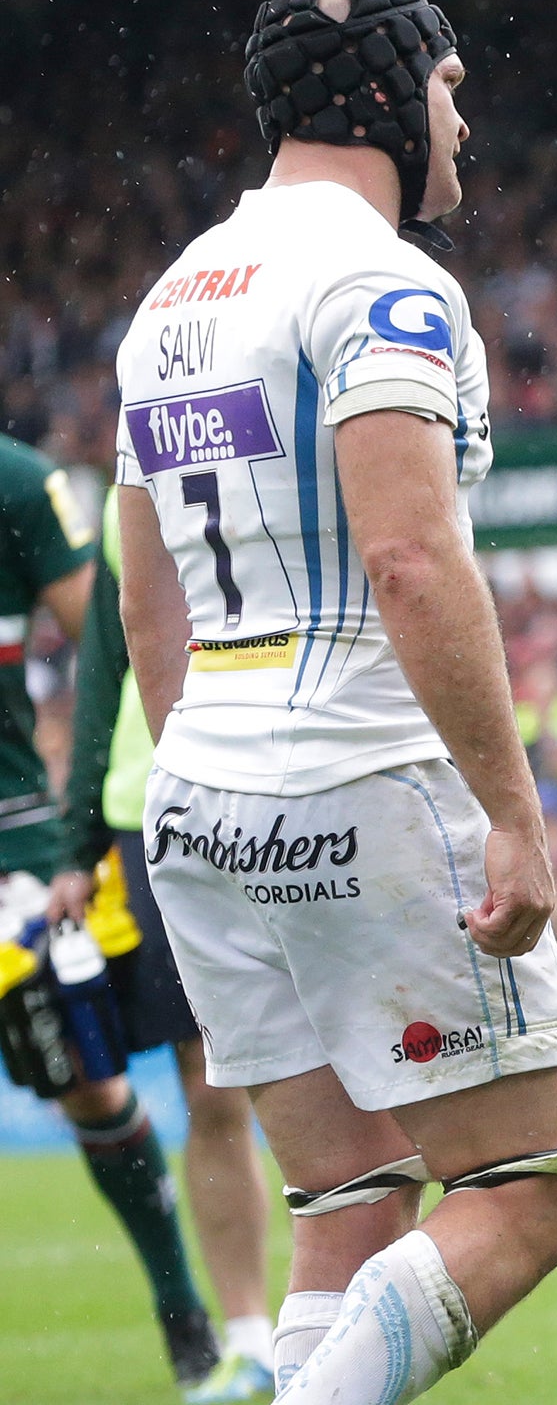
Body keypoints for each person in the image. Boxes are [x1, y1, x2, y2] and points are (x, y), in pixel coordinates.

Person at [114, 0, 557, 1404]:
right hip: (358, 770)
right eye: (452, 91)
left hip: (201, 792)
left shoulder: (168, 302)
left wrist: (209, 788)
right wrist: (511, 813)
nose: (466, 127)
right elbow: (407, 552)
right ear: (390, 91)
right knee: (526, 1191)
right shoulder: (386, 282)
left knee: (349, 1197)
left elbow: (153, 607)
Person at [0, 435, 234, 1397]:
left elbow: (113, 638)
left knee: (88, 1085)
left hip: (8, 834)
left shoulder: (17, 485)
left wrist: (79, 826)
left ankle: (182, 1308)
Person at [46, 492, 276, 1403]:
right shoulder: (131, 475)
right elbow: (107, 657)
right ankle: (252, 1343)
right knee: (209, 1087)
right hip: (160, 809)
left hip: (297, 777)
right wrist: (77, 841)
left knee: (336, 1071)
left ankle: (349, 1315)